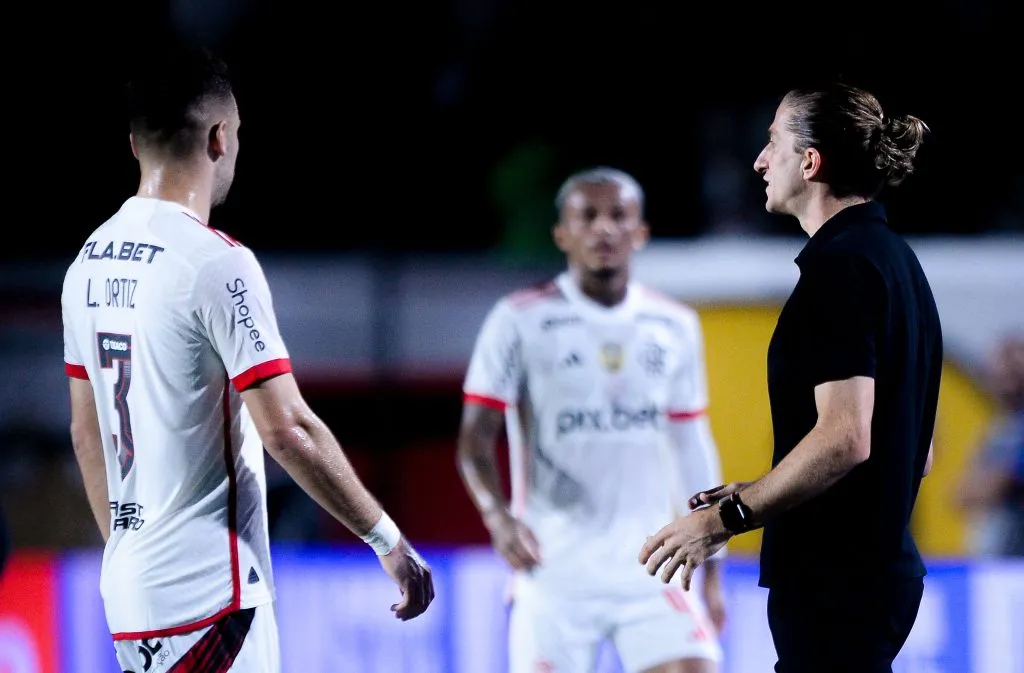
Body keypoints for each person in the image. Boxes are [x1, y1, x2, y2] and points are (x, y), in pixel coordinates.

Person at [61, 43, 433, 673]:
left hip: (131, 587)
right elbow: (287, 428)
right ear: (220, 137)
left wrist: (133, 554)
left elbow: (87, 430)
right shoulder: (215, 260)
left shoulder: (87, 262)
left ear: (133, 144)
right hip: (210, 592)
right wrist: (387, 541)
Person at [638, 82, 940, 673]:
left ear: (810, 161)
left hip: (837, 582)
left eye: (772, 141)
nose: (759, 160)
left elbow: (847, 437)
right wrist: (760, 489)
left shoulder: (841, 269)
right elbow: (914, 451)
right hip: (873, 579)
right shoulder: (895, 261)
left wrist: (726, 518)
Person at [458, 167, 726, 673]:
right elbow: (474, 442)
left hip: (654, 561)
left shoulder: (674, 325)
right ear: (562, 233)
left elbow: (692, 443)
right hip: (554, 567)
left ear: (641, 232)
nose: (604, 229)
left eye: (618, 216)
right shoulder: (518, 319)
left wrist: (712, 569)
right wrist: (497, 518)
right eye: (587, 216)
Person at [956, 335, 1024, 556]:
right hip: (999, 558)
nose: (1005, 376)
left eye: (1013, 367)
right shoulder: (999, 430)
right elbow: (964, 494)